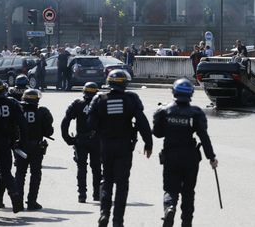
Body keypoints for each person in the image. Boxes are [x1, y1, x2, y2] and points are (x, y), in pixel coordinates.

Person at [88, 69, 153, 227]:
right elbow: (142, 122)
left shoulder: (99, 98)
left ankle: (104, 214)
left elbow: (90, 123)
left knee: (107, 180)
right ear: (125, 83)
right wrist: (148, 143)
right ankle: (118, 221)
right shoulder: (131, 98)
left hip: (106, 145)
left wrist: (101, 130)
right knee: (122, 184)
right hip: (124, 145)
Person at [153, 78, 218, 227]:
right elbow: (203, 136)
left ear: (174, 92)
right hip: (190, 158)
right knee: (188, 192)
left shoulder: (164, 110)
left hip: (171, 156)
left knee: (170, 189)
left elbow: (157, 133)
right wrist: (211, 157)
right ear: (191, 94)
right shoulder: (195, 112)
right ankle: (186, 223)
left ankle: (170, 207)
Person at [61, 82, 102, 203]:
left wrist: (68, 138)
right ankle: (97, 194)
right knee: (97, 168)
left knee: (81, 168)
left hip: (81, 141)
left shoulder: (77, 104)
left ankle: (82, 195)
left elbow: (65, 121)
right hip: (96, 140)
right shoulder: (100, 104)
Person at [15, 89, 53, 210]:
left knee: (20, 174)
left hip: (20, 146)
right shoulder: (42, 112)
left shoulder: (18, 110)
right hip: (36, 146)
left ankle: (18, 202)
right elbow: (49, 131)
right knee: (35, 174)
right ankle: (32, 201)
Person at [0, 78, 27, 213]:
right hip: (5, 143)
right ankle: (15, 198)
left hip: (4, 142)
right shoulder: (12, 103)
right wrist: (19, 141)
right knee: (6, 172)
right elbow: (22, 124)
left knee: (5, 172)